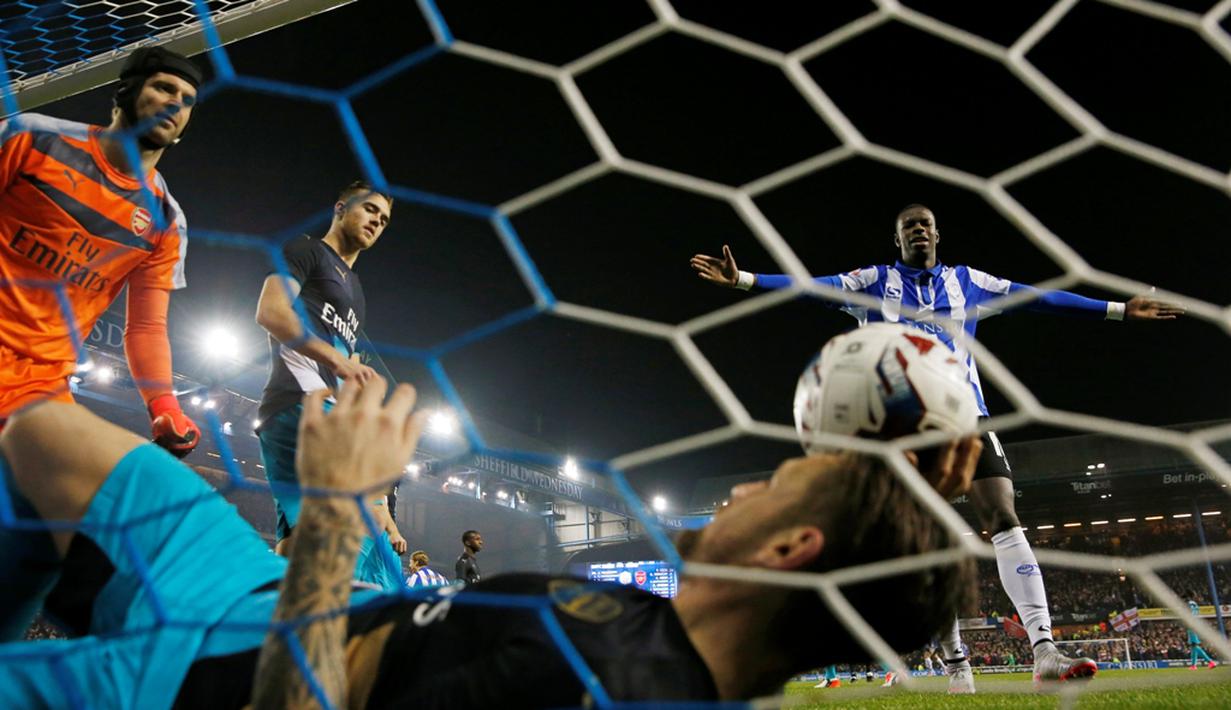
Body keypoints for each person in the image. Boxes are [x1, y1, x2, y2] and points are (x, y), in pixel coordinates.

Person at [0, 377, 980, 708]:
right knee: (39, 432)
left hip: (203, 679)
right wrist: (909, 507)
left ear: (789, 548)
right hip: (264, 593)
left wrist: (338, 503)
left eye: (772, 485)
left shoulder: (606, 684)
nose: (741, 483)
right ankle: (64, 598)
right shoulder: (661, 636)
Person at [690, 203, 1182, 691]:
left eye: (925, 224)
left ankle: (1044, 649)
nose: (918, 230)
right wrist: (745, 281)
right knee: (924, 537)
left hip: (966, 416)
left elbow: (1038, 298)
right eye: (909, 226)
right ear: (898, 239)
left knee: (1003, 515)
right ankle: (956, 664)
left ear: (938, 234)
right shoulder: (872, 283)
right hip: (902, 431)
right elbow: (809, 286)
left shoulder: (968, 282)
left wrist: (1116, 310)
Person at [0, 46, 204, 642]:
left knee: (65, 534)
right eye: (166, 88)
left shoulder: (165, 219)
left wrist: (163, 406)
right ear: (126, 90)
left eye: (188, 100)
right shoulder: (31, 138)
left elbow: (145, 327)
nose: (177, 104)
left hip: (38, 392)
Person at [253, 180, 397, 588]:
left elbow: (348, 364)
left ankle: (268, 634)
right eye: (370, 210)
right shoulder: (305, 250)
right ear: (340, 207)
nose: (377, 222)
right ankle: (340, 623)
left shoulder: (357, 291)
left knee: (295, 543)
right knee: (359, 521)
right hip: (300, 401)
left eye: (384, 219)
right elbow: (270, 312)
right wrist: (337, 361)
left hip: (317, 412)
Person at [1186, 597, 1217, 670]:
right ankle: (1193, 666)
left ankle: (1210, 662)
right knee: (1193, 647)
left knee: (1194, 645)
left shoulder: (1189, 605)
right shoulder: (1195, 605)